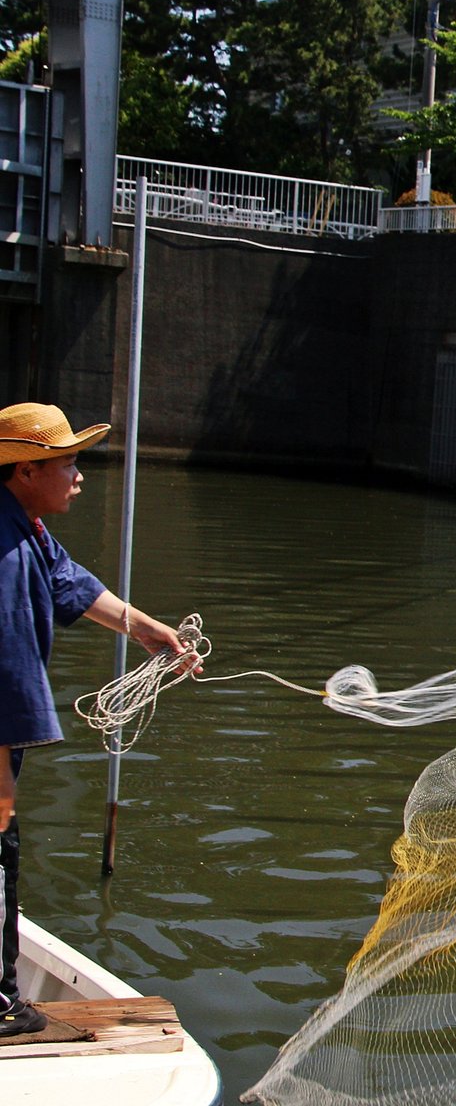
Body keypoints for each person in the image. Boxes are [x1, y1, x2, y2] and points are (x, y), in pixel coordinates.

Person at [0, 402, 196, 1037]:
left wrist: (146, 630)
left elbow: (68, 581)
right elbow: (6, 661)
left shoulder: (23, 525)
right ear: (26, 470)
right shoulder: (4, 551)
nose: (79, 476)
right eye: (68, 463)